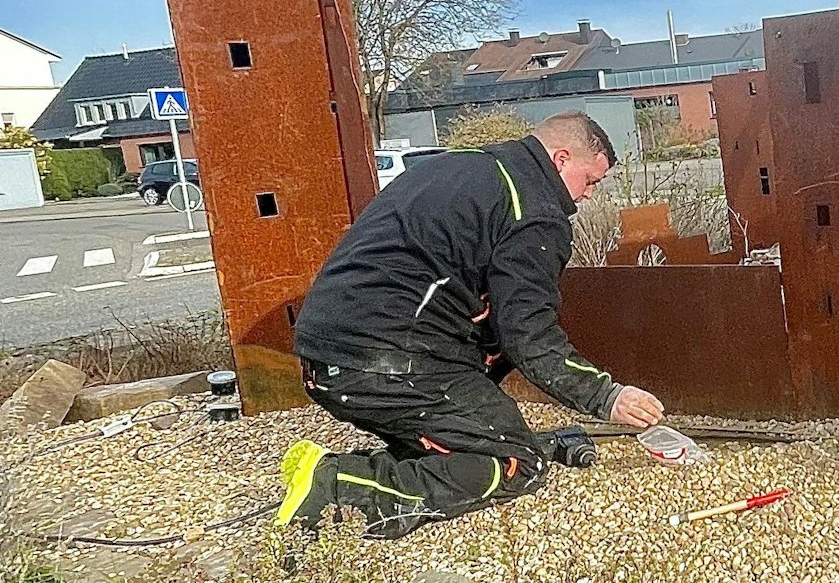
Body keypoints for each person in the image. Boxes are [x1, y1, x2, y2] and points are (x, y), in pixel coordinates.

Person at [275, 111, 666, 537]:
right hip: (387, 362)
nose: (588, 195)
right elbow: (527, 333)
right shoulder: (535, 211)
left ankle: (368, 464)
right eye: (590, 181)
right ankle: (338, 481)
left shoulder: (461, 165)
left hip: (324, 356)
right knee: (517, 462)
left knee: (481, 398)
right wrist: (605, 396)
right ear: (560, 159)